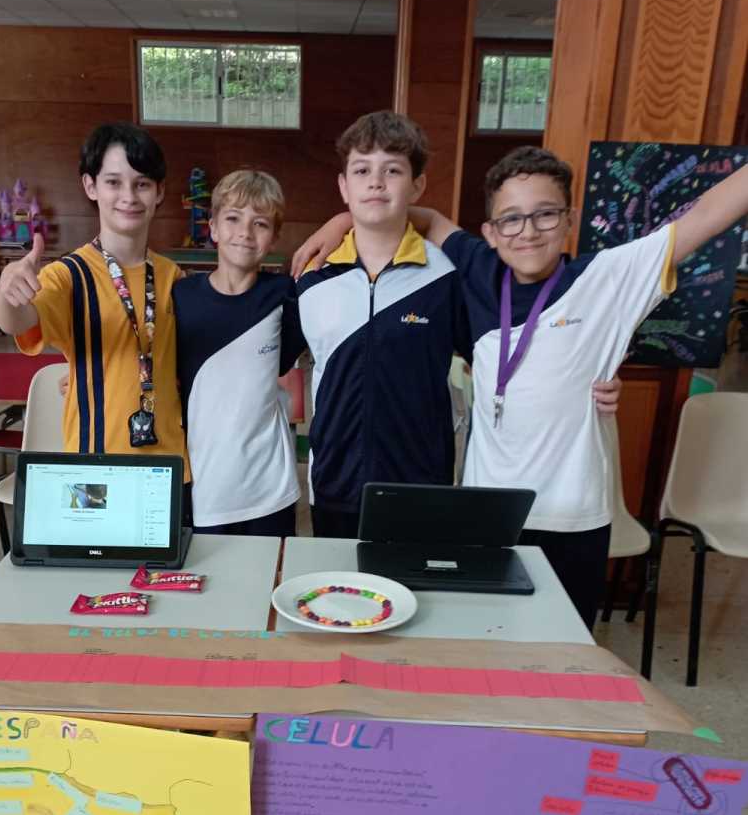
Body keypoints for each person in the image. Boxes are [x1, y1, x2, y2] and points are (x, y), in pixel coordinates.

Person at [296, 145, 748, 628]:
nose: (528, 231)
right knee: (484, 638)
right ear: (490, 232)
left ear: (570, 219)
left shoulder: (607, 279)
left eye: (545, 215)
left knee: (565, 645)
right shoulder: (478, 271)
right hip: (486, 516)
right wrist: (341, 222)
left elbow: (709, 213)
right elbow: (421, 216)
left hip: (572, 515)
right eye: (511, 219)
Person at [295, 110, 471, 538]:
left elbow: (494, 354)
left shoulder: (447, 276)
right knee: (338, 583)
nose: (375, 182)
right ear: (344, 186)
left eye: (392, 170)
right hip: (335, 484)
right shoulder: (313, 277)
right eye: (362, 170)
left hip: (420, 485)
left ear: (417, 185)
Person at [0, 122, 188, 474]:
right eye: (113, 182)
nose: (129, 196)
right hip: (96, 466)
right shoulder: (69, 275)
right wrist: (8, 293)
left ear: (159, 191)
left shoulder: (172, 276)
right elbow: (17, 321)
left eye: (142, 184)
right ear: (90, 186)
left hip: (168, 466)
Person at [173, 169, 304, 536]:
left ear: (274, 237)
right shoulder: (180, 297)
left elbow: (281, 362)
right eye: (233, 218)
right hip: (206, 483)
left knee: (269, 572)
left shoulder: (285, 294)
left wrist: (337, 223)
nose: (245, 232)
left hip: (270, 489)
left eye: (260, 223)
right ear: (213, 227)